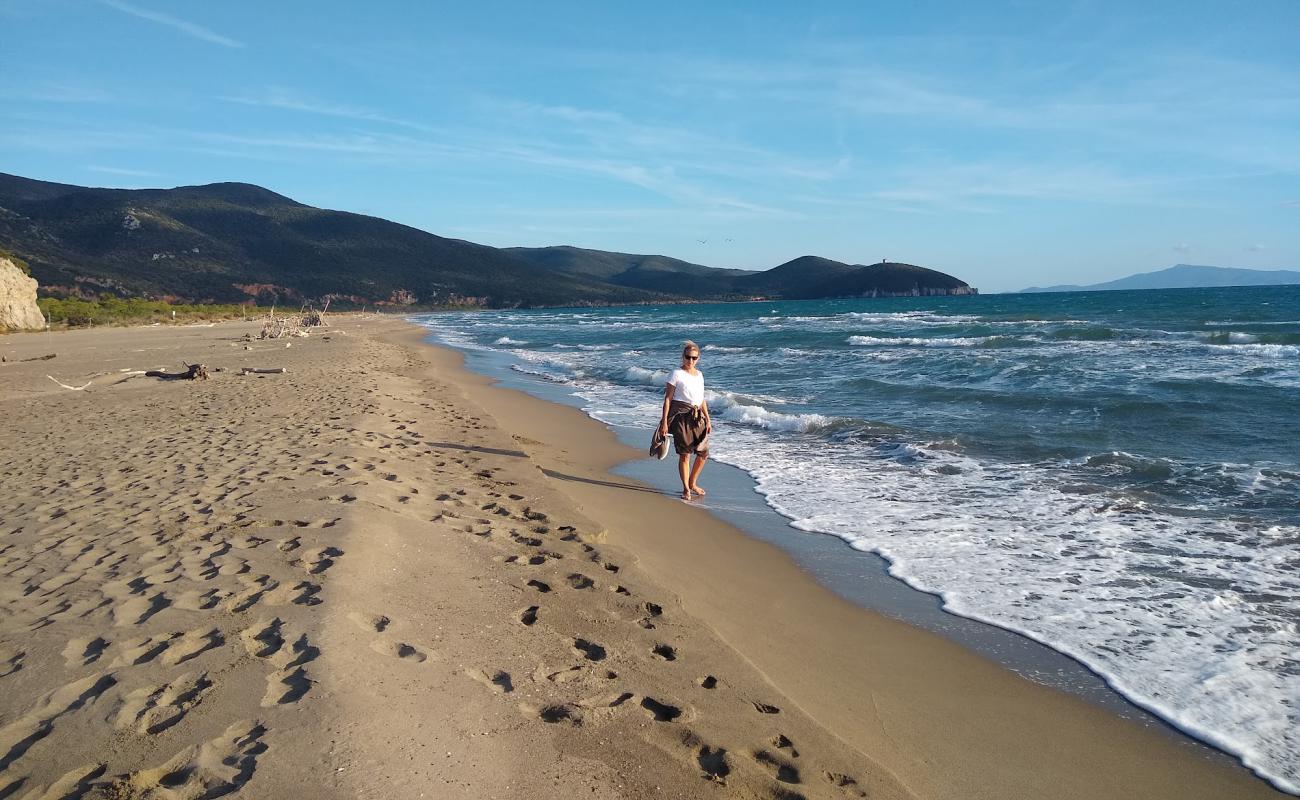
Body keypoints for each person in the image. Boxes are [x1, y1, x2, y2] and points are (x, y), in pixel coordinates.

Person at [658, 340, 712, 500]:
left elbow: (701, 399)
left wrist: (708, 419)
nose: (691, 361)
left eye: (694, 358)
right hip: (681, 416)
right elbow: (668, 399)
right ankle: (686, 489)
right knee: (685, 454)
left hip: (698, 417)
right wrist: (664, 423)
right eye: (688, 357)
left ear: (698, 358)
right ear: (683, 357)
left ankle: (693, 482)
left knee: (703, 453)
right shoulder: (676, 374)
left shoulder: (700, 375)